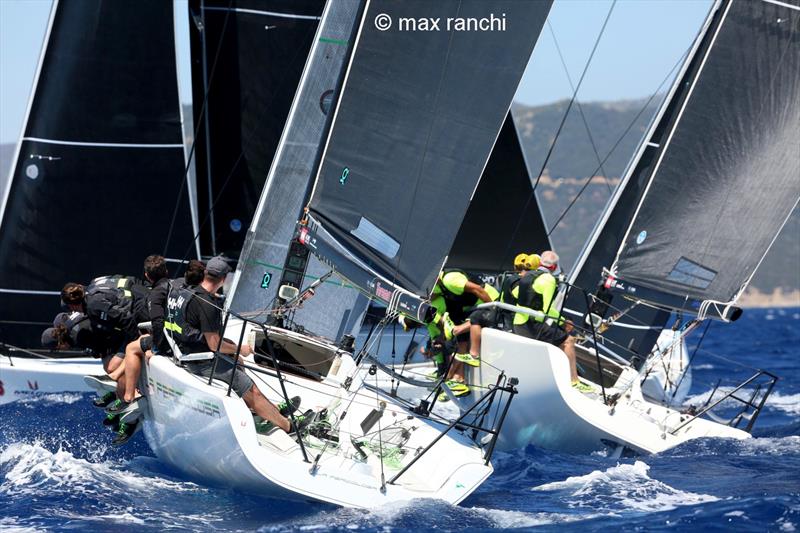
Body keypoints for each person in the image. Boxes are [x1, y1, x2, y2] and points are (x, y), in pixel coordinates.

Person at [166, 256, 308, 434]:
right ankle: (289, 427)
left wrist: (235, 351)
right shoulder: (208, 303)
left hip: (187, 352)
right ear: (224, 279)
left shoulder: (191, 292)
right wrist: (242, 348)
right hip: (201, 362)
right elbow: (214, 345)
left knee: (237, 361)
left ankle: (268, 410)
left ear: (206, 273)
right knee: (251, 388)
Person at [511, 251, 589, 391]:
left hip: (518, 324)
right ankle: (574, 381)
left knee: (556, 337)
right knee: (568, 341)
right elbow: (547, 309)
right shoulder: (548, 279)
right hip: (532, 326)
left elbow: (517, 295)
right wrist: (563, 321)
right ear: (553, 267)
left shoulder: (527, 275)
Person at [454, 252, 540, 368]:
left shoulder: (510, 279)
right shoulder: (525, 282)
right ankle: (479, 352)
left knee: (476, 317)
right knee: (477, 317)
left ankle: (474, 353)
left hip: (509, 318)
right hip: (515, 319)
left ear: (516, 267)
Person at [428, 269, 498, 398]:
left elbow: (479, 290)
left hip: (488, 301)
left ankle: (451, 377)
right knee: (458, 337)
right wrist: (439, 341)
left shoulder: (450, 280)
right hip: (469, 308)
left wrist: (493, 308)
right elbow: (432, 299)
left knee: (459, 330)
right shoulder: (436, 289)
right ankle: (458, 380)